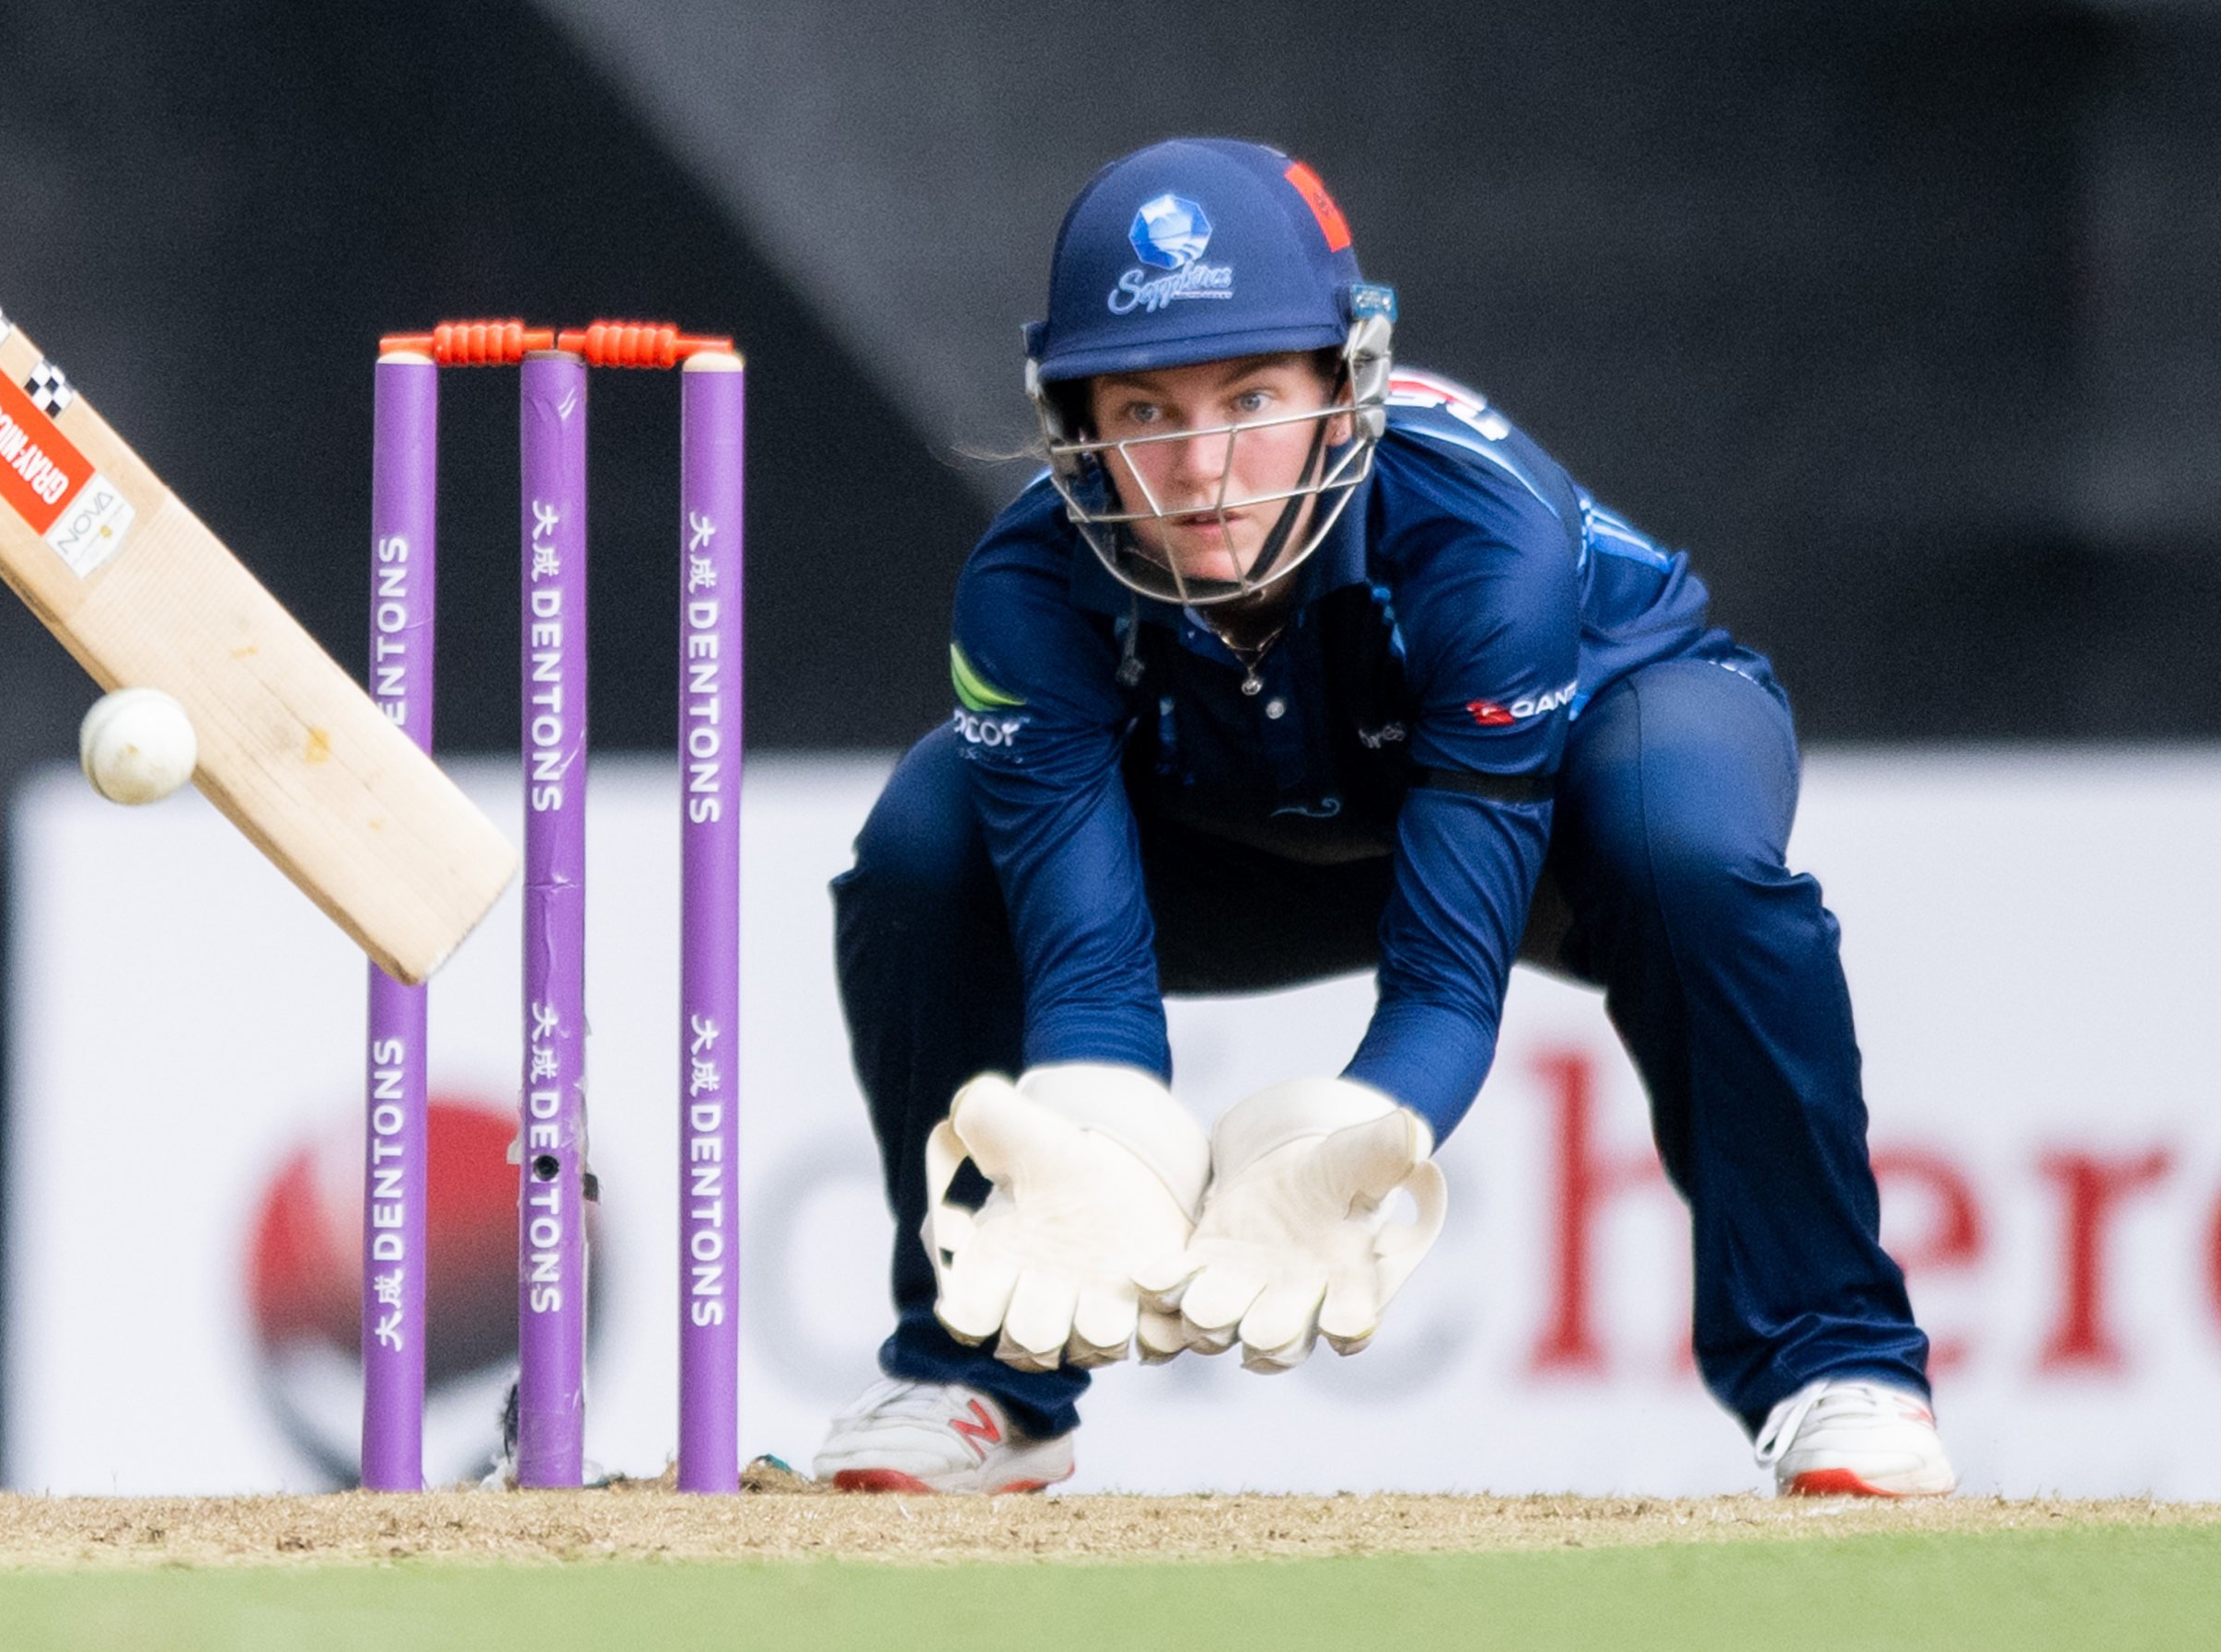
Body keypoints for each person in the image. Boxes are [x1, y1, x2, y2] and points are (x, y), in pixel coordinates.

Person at [809, 138, 1948, 1500]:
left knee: (1682, 845)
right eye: (1147, 411)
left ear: (1344, 388)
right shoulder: (1024, 584)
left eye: (1250, 395)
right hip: (1239, 828)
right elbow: (1092, 988)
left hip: (1574, 783)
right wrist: (1099, 1144)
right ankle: (979, 1379)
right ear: (1076, 422)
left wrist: (1362, 1129)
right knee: (926, 844)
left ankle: (1838, 1364)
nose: (1206, 467)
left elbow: (1447, 982)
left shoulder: (1482, 532)